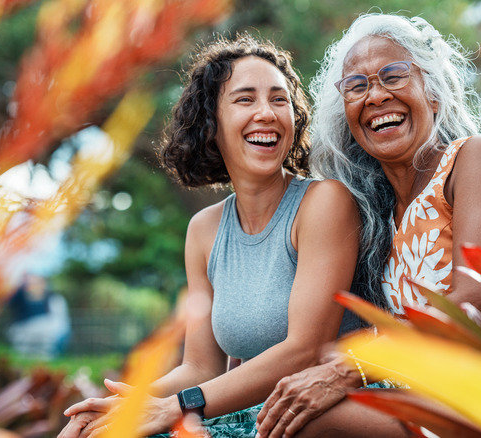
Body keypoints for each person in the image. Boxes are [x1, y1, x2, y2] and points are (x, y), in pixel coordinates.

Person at [255, 13, 481, 438]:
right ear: (348, 117)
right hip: (450, 399)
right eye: (357, 86)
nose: (375, 96)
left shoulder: (477, 158)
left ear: (433, 93)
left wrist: (348, 370)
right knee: (285, 412)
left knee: (309, 423)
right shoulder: (378, 221)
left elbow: (474, 298)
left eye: (393, 75)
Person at [57, 34, 371, 438]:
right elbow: (201, 367)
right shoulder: (203, 230)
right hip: (252, 414)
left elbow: (305, 350)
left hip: (322, 415)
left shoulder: (324, 202)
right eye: (245, 99)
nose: (267, 113)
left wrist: (175, 407)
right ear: (212, 123)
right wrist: (119, 407)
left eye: (279, 99)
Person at [6, 273, 71, 358]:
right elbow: (10, 303)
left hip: (43, 326)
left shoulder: (48, 296)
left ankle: (44, 357)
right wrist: (22, 286)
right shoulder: (21, 293)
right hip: (24, 327)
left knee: (45, 341)